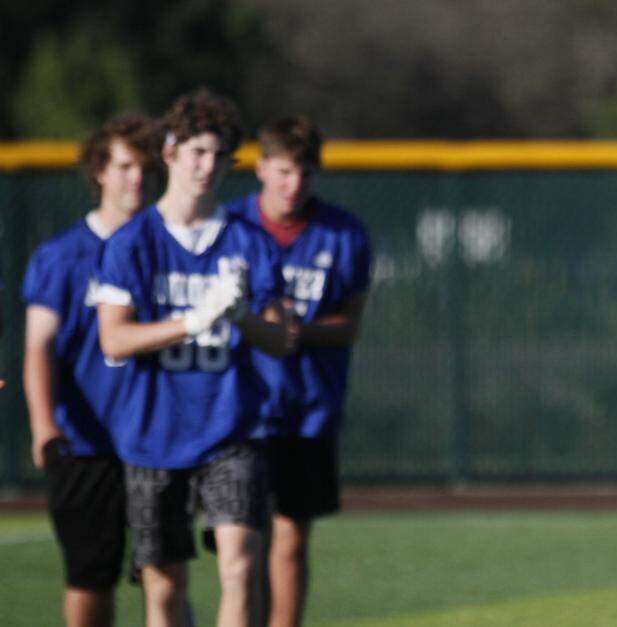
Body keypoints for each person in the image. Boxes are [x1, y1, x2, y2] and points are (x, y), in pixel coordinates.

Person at [95, 88, 293, 627]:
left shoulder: (249, 242)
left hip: (231, 426)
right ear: (170, 153)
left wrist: (240, 316)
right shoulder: (132, 242)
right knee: (163, 584)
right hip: (153, 433)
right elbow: (113, 339)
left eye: (220, 155)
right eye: (197, 152)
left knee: (239, 564)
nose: (208, 166)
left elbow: (281, 339)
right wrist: (191, 321)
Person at [226, 116, 372, 627]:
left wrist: (292, 331)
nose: (293, 184)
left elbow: (349, 324)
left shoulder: (343, 232)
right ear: (261, 168)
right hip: (239, 407)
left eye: (305, 173)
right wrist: (257, 328)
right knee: (241, 540)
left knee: (289, 535)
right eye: (284, 171)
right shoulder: (230, 226)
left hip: (308, 406)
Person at [22, 114, 159, 627]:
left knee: (163, 574)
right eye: (124, 166)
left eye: (144, 167)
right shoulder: (62, 255)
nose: (135, 178)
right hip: (87, 442)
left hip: (155, 440)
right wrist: (44, 426)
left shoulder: (165, 248)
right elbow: (39, 346)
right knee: (90, 577)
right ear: (99, 170)